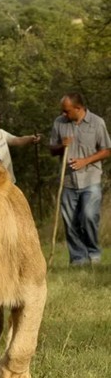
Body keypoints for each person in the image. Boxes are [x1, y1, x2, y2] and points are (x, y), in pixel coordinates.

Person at [49, 92, 111, 266]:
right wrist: (62, 146)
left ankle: (94, 253)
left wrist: (85, 161)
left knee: (89, 216)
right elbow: (52, 149)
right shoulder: (59, 123)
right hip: (68, 181)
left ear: (78, 108)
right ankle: (78, 258)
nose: (63, 114)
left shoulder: (97, 123)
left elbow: (107, 150)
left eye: (66, 111)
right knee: (70, 222)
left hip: (90, 179)